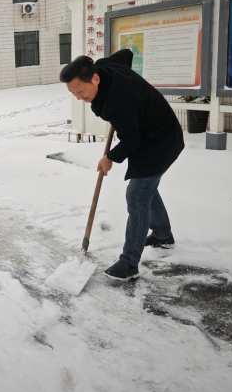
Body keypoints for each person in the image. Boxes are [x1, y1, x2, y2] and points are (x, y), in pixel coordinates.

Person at [59, 50, 184, 281]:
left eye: (80, 91)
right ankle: (162, 235)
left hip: (160, 142)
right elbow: (125, 54)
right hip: (153, 134)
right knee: (146, 188)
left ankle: (129, 263)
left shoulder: (116, 104)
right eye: (73, 93)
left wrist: (109, 158)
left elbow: (131, 141)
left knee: (137, 195)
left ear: (95, 78)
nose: (78, 97)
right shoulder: (105, 66)